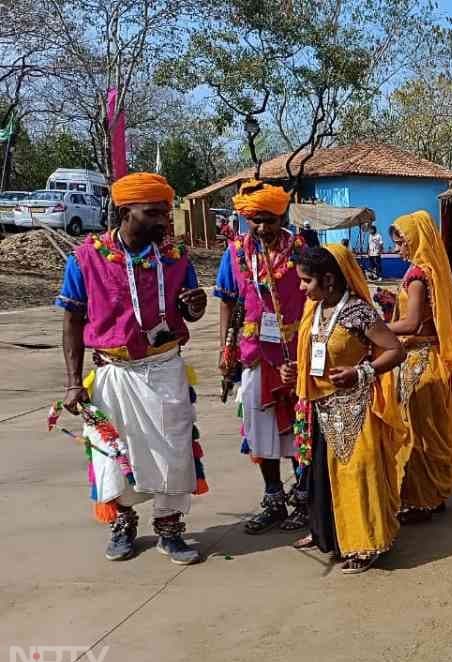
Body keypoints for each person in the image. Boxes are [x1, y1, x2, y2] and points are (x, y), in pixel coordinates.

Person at [55, 172, 209, 565]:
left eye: (164, 211)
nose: (162, 220)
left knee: (174, 449)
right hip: (113, 372)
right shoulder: (86, 257)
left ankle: (170, 529)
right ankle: (123, 525)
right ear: (126, 211)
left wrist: (194, 305)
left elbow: (190, 313)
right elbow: (72, 320)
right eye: (152, 212)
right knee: (112, 450)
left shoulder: (175, 258)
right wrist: (74, 383)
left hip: (164, 367)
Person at [284, 245, 406, 573]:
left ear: (329, 279)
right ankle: (331, 536)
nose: (301, 288)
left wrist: (361, 372)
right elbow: (316, 357)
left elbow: (395, 350)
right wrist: (296, 372)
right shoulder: (314, 311)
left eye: (306, 281)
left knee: (357, 477)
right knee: (322, 479)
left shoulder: (358, 313)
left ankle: (366, 545)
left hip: (353, 409)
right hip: (319, 409)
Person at [214, 180, 308, 535]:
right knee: (259, 431)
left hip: (294, 355)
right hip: (253, 356)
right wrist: (226, 348)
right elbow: (226, 300)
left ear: (281, 214)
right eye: (254, 219)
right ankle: (273, 498)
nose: (262, 227)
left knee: (300, 429)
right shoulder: (235, 253)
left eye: (269, 219)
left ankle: (304, 497)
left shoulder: (300, 248)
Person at [386, 211, 452, 523]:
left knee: (418, 432)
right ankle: (432, 494)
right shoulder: (431, 271)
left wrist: (377, 327)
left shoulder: (417, 276)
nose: (398, 249)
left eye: (402, 242)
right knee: (429, 429)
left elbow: (411, 322)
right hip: (428, 356)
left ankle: (423, 500)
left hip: (420, 359)